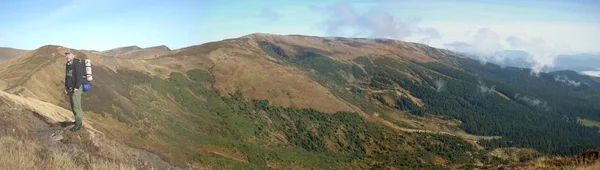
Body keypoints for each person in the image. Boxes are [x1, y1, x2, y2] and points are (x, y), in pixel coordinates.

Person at [64, 49, 84, 131]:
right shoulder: (68, 64)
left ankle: (78, 124)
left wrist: (76, 87)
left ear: (73, 55)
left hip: (76, 88)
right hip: (70, 88)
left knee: (76, 106)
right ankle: (76, 121)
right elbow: (67, 76)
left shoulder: (77, 63)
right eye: (66, 54)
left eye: (69, 54)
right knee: (73, 106)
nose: (67, 56)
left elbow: (79, 77)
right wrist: (66, 87)